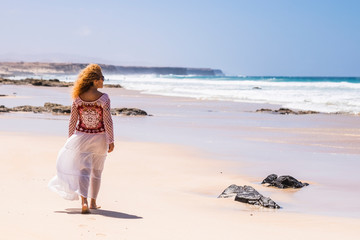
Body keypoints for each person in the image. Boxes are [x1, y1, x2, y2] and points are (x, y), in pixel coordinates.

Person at [48, 64, 114, 214]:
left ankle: (83, 202)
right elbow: (108, 120)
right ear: (95, 80)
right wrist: (111, 140)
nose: (104, 80)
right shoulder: (104, 98)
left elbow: (72, 121)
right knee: (97, 172)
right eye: (102, 78)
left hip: (82, 138)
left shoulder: (78, 98)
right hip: (100, 138)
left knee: (83, 171)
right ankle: (93, 203)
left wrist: (71, 141)